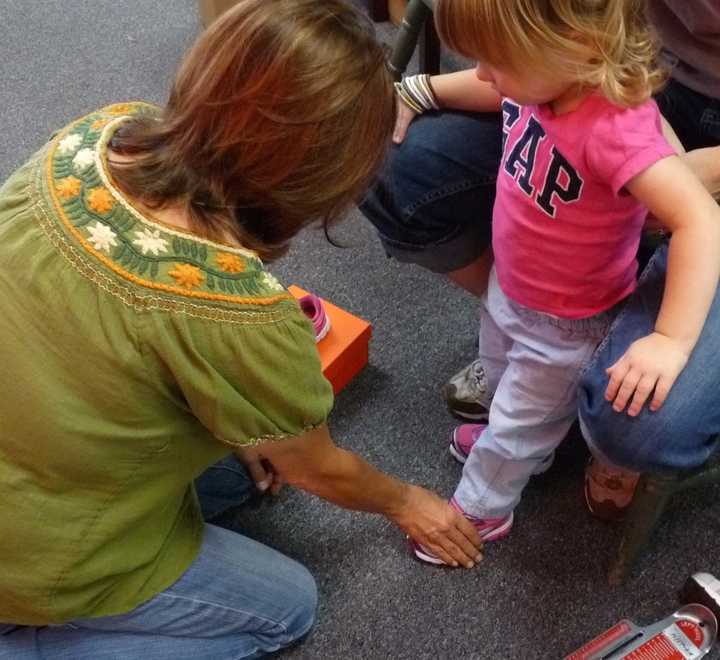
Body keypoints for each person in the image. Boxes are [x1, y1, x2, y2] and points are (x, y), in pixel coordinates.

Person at [0, 1, 483, 657]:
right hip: (30, 552)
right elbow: (319, 469)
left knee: (238, 476)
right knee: (286, 609)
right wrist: (406, 502)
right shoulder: (241, 312)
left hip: (30, 442)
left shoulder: (96, 135)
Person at [380, 0, 720, 566]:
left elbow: (698, 219)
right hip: (517, 287)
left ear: (576, 49)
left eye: (497, 61)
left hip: (567, 324)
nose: (485, 73)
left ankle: (487, 507)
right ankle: (527, 451)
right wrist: (425, 90)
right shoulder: (543, 78)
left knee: (519, 421)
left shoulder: (616, 128)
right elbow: (496, 90)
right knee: (498, 368)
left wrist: (670, 340)